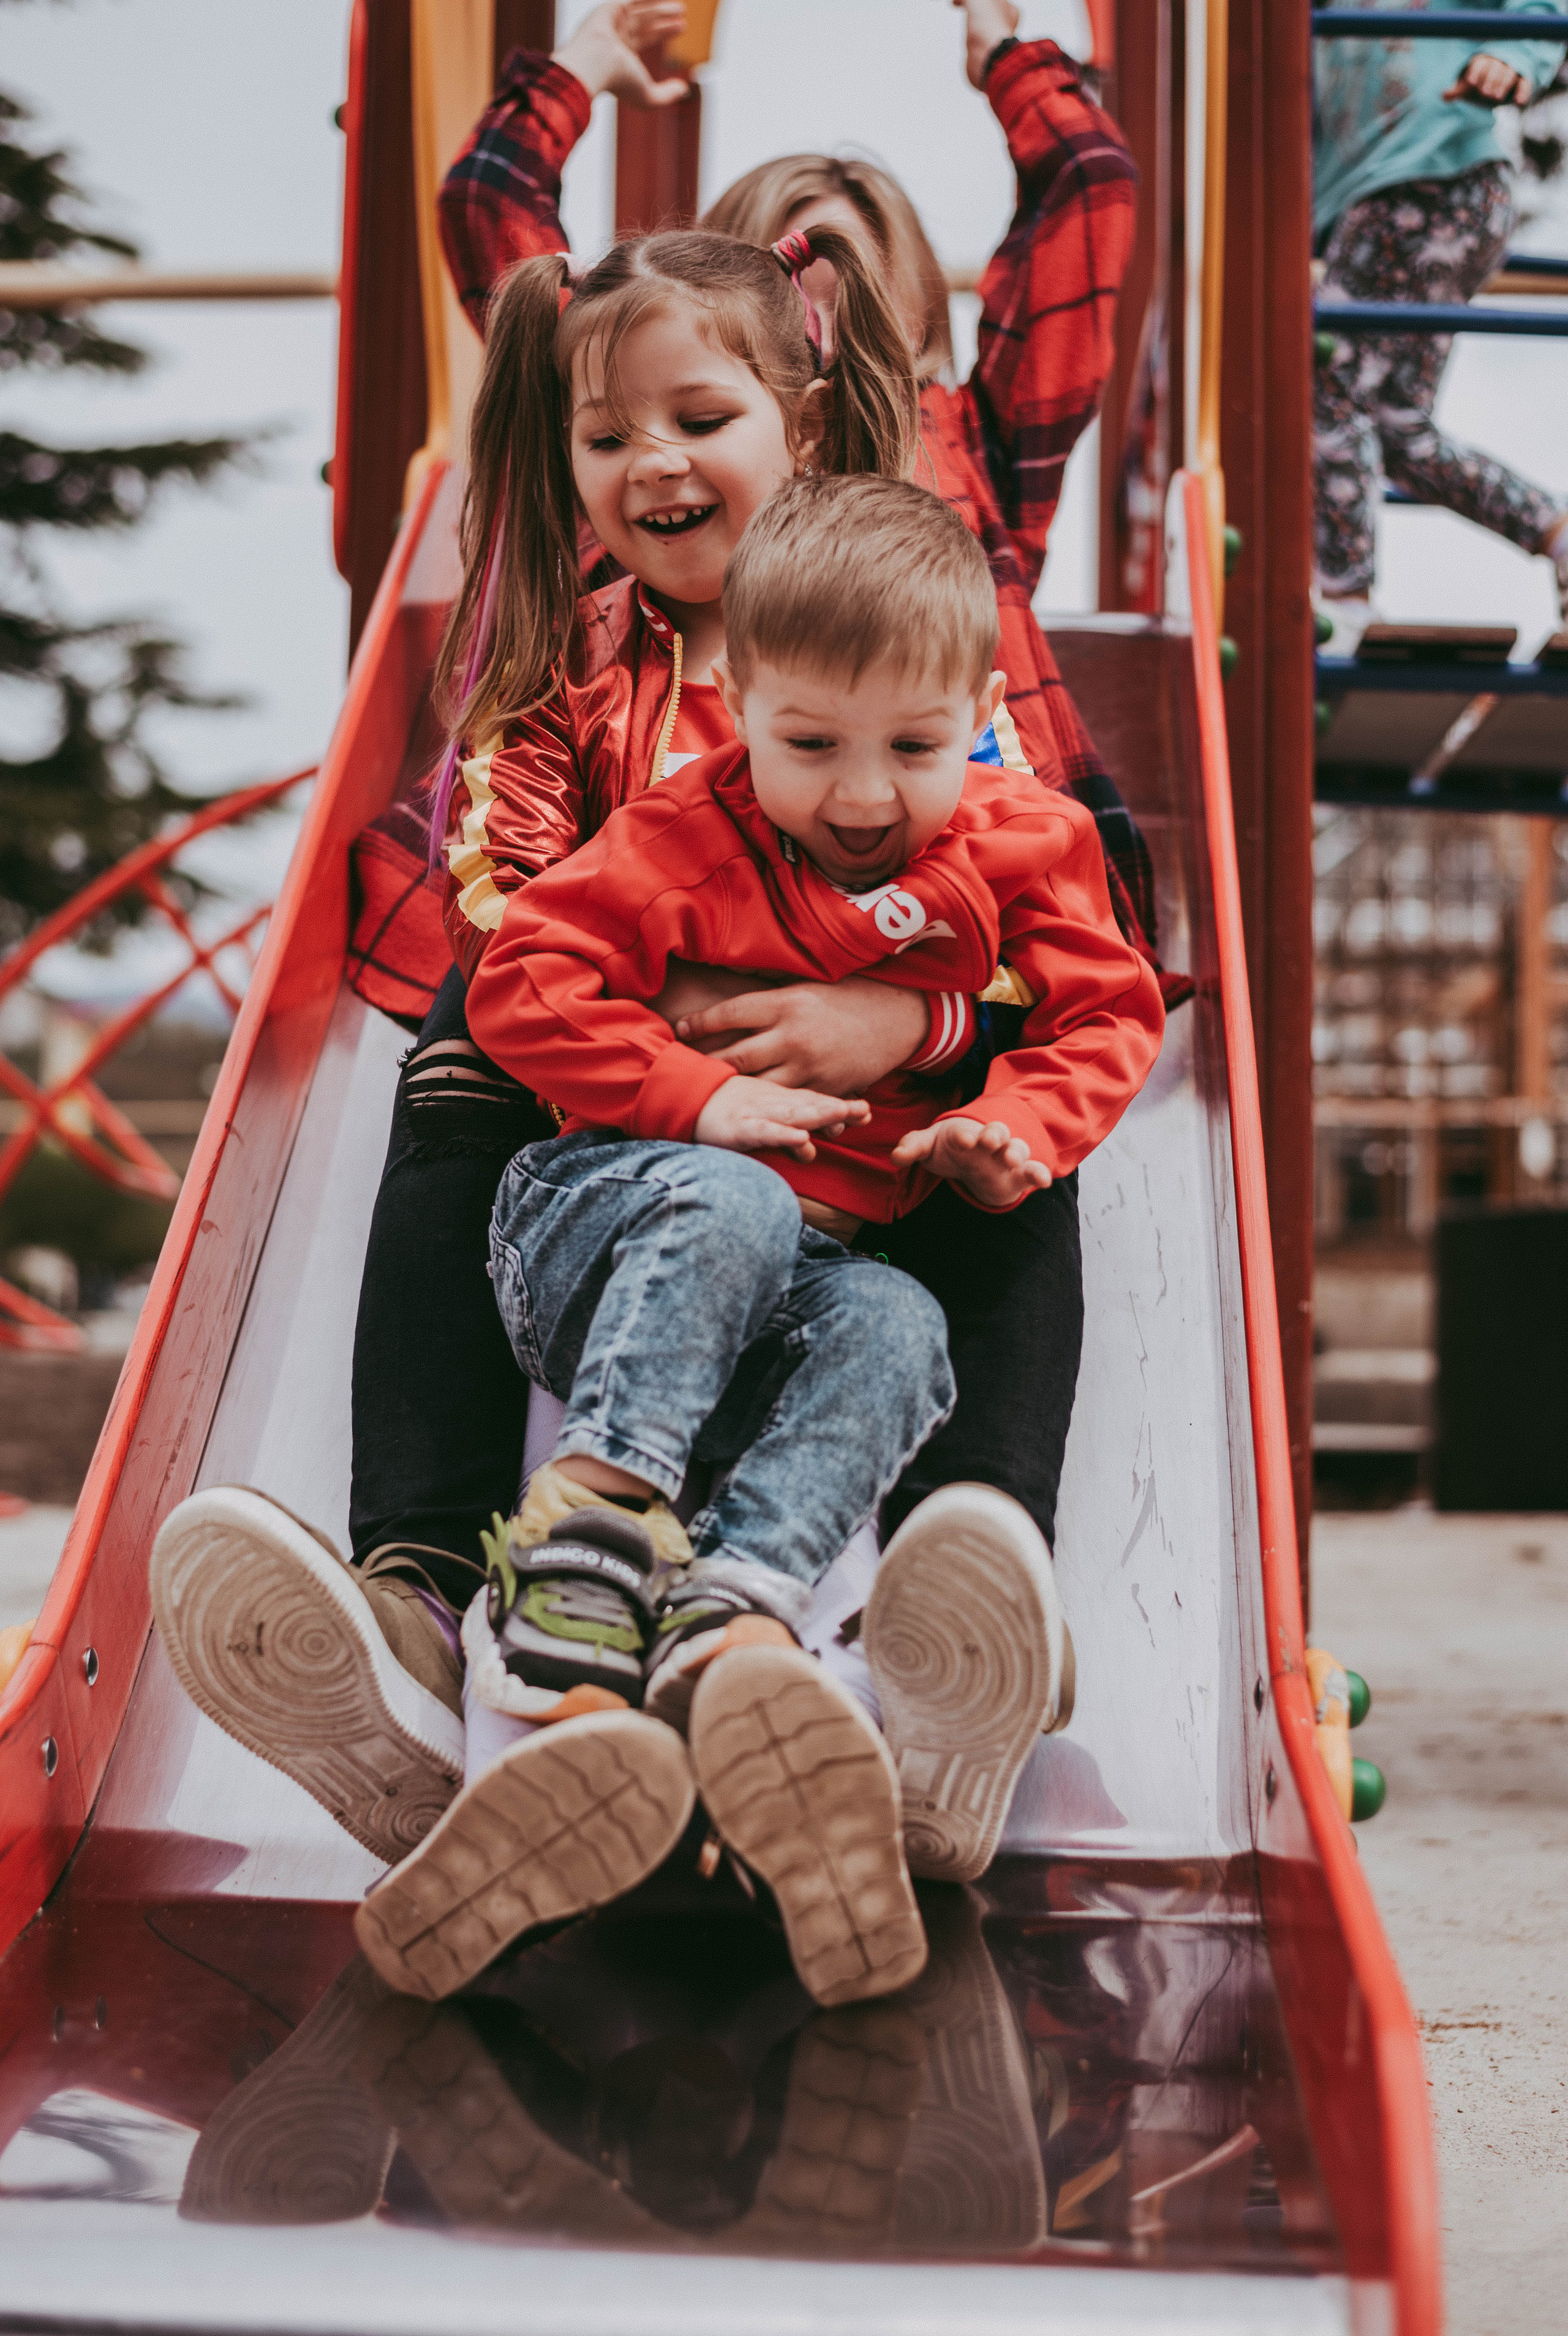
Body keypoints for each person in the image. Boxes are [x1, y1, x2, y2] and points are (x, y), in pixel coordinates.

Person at [148, 0, 1162, 1888]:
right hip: (641, 1143)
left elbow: (1045, 932)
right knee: (475, 1032)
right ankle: (428, 1588)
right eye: (618, 430)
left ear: (818, 392)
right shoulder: (595, 669)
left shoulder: (915, 626)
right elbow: (529, 929)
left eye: (704, 414)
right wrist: (677, 1034)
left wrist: (923, 1014)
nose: (653, 457)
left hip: (872, 1145)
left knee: (1009, 1141)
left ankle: (941, 1616)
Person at [351, 473, 1163, 2013]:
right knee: (724, 1198)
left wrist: (1021, 1127)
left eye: (914, 748)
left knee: (897, 1333)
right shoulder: (679, 834)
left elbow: (1107, 1007)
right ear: (739, 710)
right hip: (598, 1234)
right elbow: (519, 982)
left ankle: (733, 1617)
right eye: (811, 745)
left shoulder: (1021, 840)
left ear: (980, 711)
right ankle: (582, 1542)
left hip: (809, 1284)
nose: (864, 794)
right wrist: (695, 1095)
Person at [1313, 0, 1568, 649]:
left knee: (1325, 385)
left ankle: (1343, 596)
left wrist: (1513, 56)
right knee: (1399, 429)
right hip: (1408, 198)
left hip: (1430, 176)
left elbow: (1540, 7)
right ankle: (1557, 536)